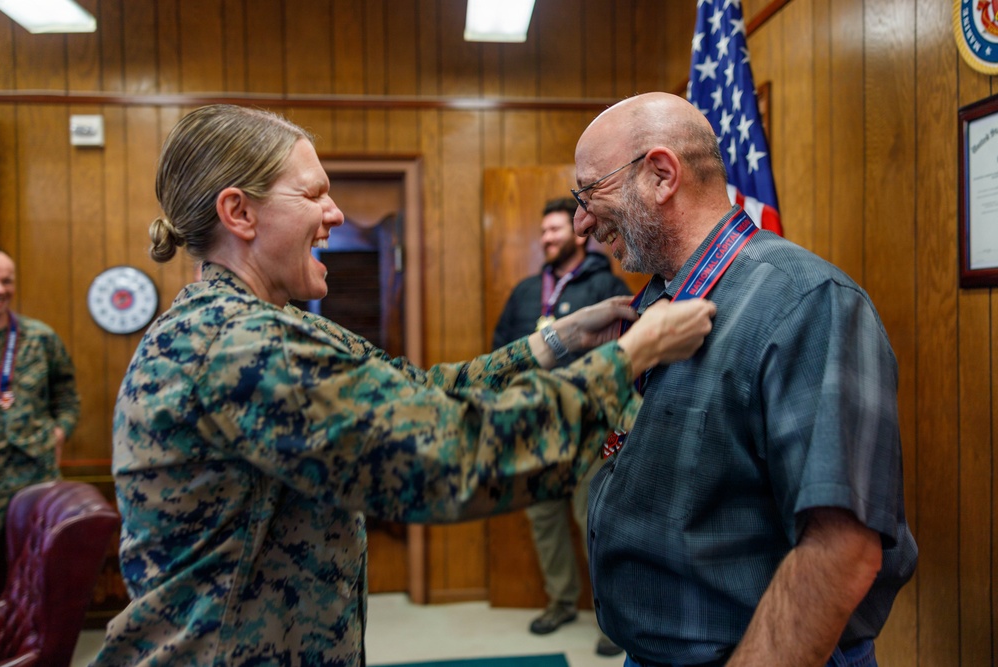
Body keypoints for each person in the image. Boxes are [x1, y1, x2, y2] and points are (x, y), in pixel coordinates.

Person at [91, 104, 717, 667]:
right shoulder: (238, 347)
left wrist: (557, 341)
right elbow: (451, 454)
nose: (334, 214)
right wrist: (632, 356)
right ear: (240, 212)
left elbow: (417, 389)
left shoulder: (264, 325)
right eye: (313, 195)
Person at [572, 92, 918, 667]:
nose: (583, 220)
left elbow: (840, 551)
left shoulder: (807, 302)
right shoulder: (655, 302)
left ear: (661, 174)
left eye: (590, 193)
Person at [492, 197, 629, 657]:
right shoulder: (527, 290)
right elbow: (500, 349)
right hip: (534, 430)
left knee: (594, 522)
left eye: (554, 230)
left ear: (576, 234)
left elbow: (620, 358)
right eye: (543, 232)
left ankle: (612, 621)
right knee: (544, 519)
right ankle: (560, 601)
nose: (546, 238)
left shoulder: (604, 285)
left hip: (589, 432)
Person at [0, 249, 80, 590]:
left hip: (33, 477)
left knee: (33, 582)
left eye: (6, 280)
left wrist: (61, 431)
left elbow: (67, 394)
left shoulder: (41, 337)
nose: (1, 289)